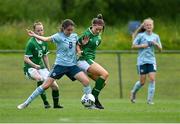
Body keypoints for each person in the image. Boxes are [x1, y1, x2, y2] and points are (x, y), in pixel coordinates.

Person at [17, 19, 92, 109]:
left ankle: (89, 105)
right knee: (45, 85)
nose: (70, 32)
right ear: (63, 28)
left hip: (72, 65)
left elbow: (76, 46)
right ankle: (26, 103)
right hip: (60, 66)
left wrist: (81, 46)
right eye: (68, 30)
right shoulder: (58, 36)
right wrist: (34, 35)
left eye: (71, 30)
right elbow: (45, 39)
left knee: (86, 81)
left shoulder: (74, 36)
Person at [23, 22, 61, 109]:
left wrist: (48, 69)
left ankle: (56, 105)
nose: (40, 32)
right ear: (34, 31)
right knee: (39, 78)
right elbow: (25, 59)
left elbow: (45, 56)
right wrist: (34, 65)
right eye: (38, 30)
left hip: (41, 67)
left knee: (55, 86)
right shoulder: (31, 43)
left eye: (41, 30)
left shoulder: (44, 42)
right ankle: (46, 102)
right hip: (30, 68)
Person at [76, 14, 109, 109]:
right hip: (84, 60)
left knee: (102, 83)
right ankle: (94, 99)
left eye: (100, 29)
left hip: (89, 60)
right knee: (105, 74)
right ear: (93, 25)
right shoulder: (86, 34)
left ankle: (92, 100)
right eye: (97, 29)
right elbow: (76, 44)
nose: (99, 31)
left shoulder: (98, 36)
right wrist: (79, 50)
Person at [130, 18, 162, 104]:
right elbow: (133, 46)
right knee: (142, 82)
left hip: (151, 60)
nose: (149, 26)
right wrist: (142, 46)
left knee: (152, 79)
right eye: (147, 25)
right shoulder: (141, 36)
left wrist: (156, 44)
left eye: (150, 25)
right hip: (142, 61)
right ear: (144, 26)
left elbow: (160, 50)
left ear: (153, 26)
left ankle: (150, 100)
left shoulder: (156, 36)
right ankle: (133, 92)